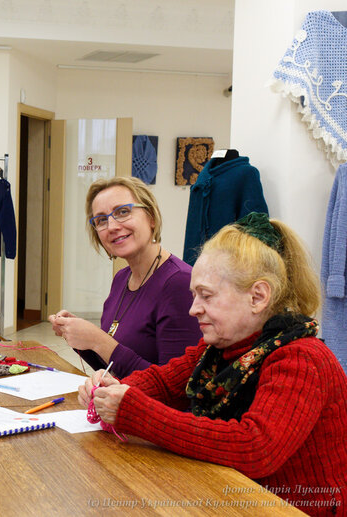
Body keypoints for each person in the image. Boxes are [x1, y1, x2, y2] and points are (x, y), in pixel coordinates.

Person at [79, 213, 347, 515]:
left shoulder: (302, 359)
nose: (193, 309)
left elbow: (255, 448)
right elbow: (164, 382)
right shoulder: (218, 349)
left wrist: (135, 412)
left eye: (205, 296)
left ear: (258, 297)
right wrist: (113, 388)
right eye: (194, 295)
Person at [49, 177, 201, 378]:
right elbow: (113, 368)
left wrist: (98, 340)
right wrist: (79, 336)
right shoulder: (122, 279)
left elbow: (175, 385)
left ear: (151, 217)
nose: (112, 226)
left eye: (122, 212)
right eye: (101, 220)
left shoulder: (180, 283)